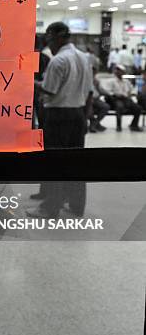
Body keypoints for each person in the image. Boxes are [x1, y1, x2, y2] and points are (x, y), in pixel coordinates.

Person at [29, 22, 93, 218]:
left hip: (58, 116)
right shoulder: (84, 58)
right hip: (78, 114)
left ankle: (50, 208)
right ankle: (75, 205)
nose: (48, 44)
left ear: (56, 37)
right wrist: (87, 117)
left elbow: (50, 90)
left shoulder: (58, 61)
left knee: (55, 162)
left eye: (48, 39)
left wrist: (29, 82)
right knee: (76, 163)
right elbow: (90, 91)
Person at [103, 65, 143, 132]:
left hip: (126, 99)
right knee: (119, 107)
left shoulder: (126, 81)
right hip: (116, 99)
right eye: (117, 71)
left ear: (123, 72)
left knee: (138, 108)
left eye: (120, 71)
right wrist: (115, 95)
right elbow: (107, 91)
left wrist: (132, 93)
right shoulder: (112, 81)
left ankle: (134, 125)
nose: (118, 72)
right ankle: (119, 126)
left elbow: (132, 89)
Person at [88, 69, 109, 133]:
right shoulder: (84, 79)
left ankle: (95, 123)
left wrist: (109, 93)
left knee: (105, 107)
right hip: (87, 99)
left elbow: (101, 90)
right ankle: (94, 125)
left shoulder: (96, 80)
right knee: (89, 109)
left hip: (96, 99)